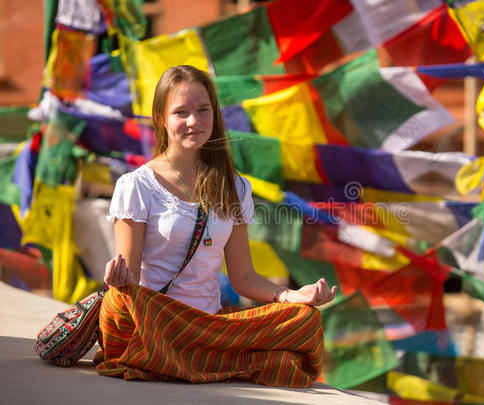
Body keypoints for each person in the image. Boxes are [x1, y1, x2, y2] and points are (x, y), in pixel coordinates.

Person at [95, 65, 336, 387]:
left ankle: (189, 358)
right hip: (154, 319)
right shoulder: (136, 185)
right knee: (119, 305)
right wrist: (119, 279)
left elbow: (243, 277)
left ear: (215, 114)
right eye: (181, 112)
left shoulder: (235, 188)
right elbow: (130, 284)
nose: (193, 121)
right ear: (161, 119)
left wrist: (292, 295)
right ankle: (208, 358)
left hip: (209, 325)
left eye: (202, 110)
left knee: (305, 319)